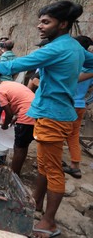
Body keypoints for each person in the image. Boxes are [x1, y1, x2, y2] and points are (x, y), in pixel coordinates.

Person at [0, 0, 93, 238]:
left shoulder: (57, 48)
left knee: (53, 170)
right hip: (57, 113)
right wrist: (72, 77)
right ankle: (36, 202)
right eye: (39, 21)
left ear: (63, 24)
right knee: (45, 165)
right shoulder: (75, 48)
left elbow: (15, 64)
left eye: (46, 22)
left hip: (53, 114)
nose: (39, 26)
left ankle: (49, 223)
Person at [0, 77, 35, 175]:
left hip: (27, 116)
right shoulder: (9, 84)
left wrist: (5, 126)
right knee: (23, 145)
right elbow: (24, 100)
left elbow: (8, 113)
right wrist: (17, 116)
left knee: (19, 147)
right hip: (37, 112)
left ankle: (13, 174)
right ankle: (17, 170)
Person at [63, 35, 93, 179]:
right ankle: (75, 166)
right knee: (73, 136)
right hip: (80, 105)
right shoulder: (89, 66)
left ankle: (51, 163)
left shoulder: (74, 63)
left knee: (57, 135)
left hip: (67, 105)